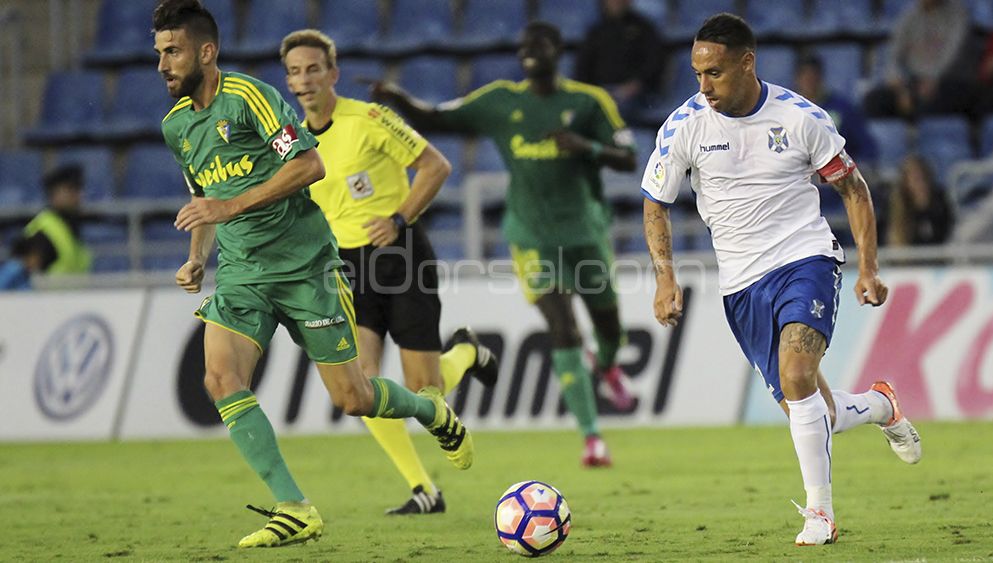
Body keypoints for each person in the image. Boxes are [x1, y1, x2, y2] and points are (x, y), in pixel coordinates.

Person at [153, 0, 472, 548]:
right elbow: (204, 195)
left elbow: (308, 165)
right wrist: (198, 256)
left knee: (353, 397)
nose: (163, 65)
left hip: (307, 268)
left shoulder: (252, 98)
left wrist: (229, 210)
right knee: (220, 378)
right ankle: (294, 507)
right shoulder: (177, 125)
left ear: (206, 52)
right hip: (242, 274)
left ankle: (431, 411)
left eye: (173, 51)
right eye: (159, 53)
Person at [641, 14, 922, 545]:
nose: (704, 86)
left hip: (806, 260)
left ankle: (821, 514)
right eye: (697, 74)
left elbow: (854, 190)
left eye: (715, 73)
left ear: (747, 62)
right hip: (741, 285)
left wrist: (868, 267)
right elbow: (655, 204)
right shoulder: (685, 125)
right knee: (813, 411)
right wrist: (664, 279)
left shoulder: (801, 118)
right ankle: (881, 405)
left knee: (797, 376)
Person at [371, 21, 638, 467]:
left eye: (543, 44)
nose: (533, 52)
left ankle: (607, 364)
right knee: (563, 329)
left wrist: (585, 147)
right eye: (526, 46)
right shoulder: (499, 101)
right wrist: (398, 97)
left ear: (558, 50)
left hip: (584, 233)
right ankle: (592, 439)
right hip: (531, 236)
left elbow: (628, 158)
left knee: (608, 327)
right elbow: (436, 117)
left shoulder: (589, 102)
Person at [279, 29, 498, 515]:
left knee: (425, 390)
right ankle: (424, 489)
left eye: (313, 68)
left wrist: (399, 218)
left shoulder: (370, 118)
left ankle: (466, 352)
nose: (304, 79)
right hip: (346, 266)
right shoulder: (292, 140)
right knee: (360, 385)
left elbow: (436, 166)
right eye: (295, 71)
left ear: (332, 73)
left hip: (398, 254)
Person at [863, 0, 974, 118]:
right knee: (874, 100)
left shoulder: (957, 14)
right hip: (913, 82)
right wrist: (900, 86)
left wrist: (932, 79)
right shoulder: (911, 15)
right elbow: (893, 55)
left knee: (929, 104)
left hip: (947, 82)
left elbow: (953, 54)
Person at [575, 0, 665, 123]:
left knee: (613, 110)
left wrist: (636, 84)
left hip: (634, 94)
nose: (616, 3)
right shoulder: (596, 31)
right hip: (601, 91)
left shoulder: (644, 28)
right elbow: (583, 67)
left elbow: (654, 62)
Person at [794, 54, 878, 170]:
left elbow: (867, 147)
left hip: (838, 179)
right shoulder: (788, 112)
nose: (810, 81)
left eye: (814, 75)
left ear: (821, 77)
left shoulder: (843, 108)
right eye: (805, 76)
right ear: (797, 79)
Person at [21, 164, 92, 275]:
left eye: (79, 189)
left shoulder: (71, 226)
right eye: (70, 189)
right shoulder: (42, 230)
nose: (78, 195)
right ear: (54, 194)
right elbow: (28, 276)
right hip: (49, 292)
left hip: (76, 291)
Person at [886, 155, 955, 247]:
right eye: (915, 179)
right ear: (906, 183)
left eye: (923, 178)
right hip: (910, 259)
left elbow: (950, 235)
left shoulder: (942, 205)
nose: (920, 184)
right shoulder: (899, 211)